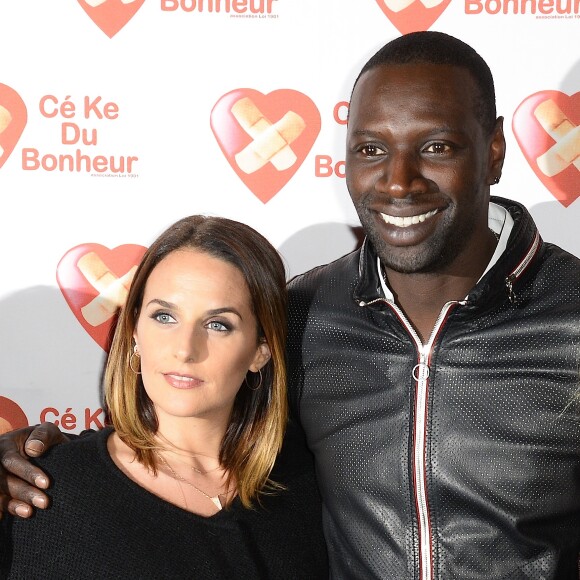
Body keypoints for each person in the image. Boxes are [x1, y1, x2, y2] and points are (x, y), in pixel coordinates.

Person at [1, 30, 580, 579]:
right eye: (372, 149)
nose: (399, 182)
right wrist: (37, 458)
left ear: (496, 150)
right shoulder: (302, 312)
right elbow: (196, 431)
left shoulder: (569, 314)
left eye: (436, 146)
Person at [0, 215, 328, 578]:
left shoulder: (312, 486)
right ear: (136, 331)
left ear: (259, 351)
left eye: (218, 325)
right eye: (164, 317)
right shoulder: (45, 490)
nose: (185, 350)